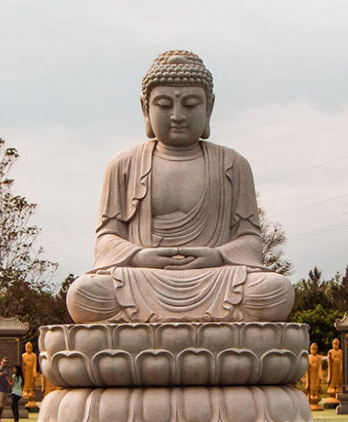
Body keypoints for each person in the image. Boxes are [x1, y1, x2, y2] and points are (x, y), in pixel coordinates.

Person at [65, 50, 294, 324]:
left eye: (190, 104)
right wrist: (139, 256)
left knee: (274, 292)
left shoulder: (232, 164)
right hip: (142, 279)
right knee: (84, 295)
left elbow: (251, 240)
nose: (177, 116)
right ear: (145, 109)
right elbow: (106, 240)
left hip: (215, 279)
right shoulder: (123, 165)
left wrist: (217, 255)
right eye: (163, 105)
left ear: (208, 108)